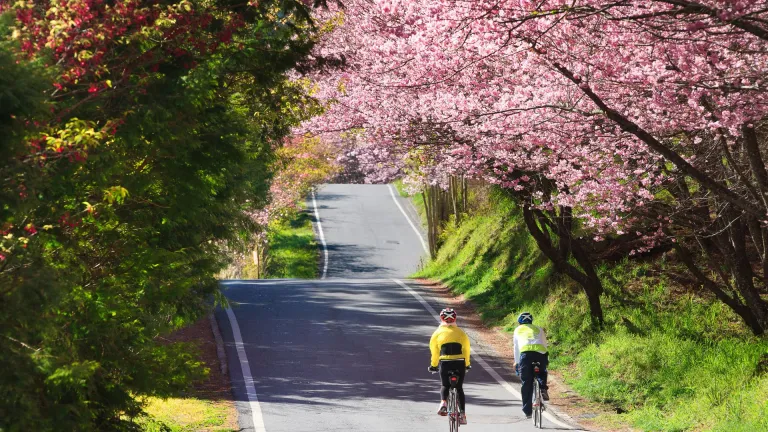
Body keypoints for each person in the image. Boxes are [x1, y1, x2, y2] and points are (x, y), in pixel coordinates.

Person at [428, 308, 471, 425]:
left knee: (445, 385)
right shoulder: (461, 332)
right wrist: (467, 364)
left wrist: (434, 365)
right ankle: (462, 415)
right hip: (459, 362)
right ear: (455, 319)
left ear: (441, 319)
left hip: (445, 363)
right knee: (460, 388)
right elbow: (466, 349)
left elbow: (434, 351)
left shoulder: (437, 333)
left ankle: (443, 403)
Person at [513, 311, 550, 418]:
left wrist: (517, 362)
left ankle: (527, 411)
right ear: (531, 321)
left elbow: (516, 348)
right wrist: (545, 358)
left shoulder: (518, 330)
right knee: (542, 372)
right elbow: (544, 343)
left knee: (526, 382)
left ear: (519, 322)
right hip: (540, 353)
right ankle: (543, 388)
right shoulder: (539, 328)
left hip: (526, 354)